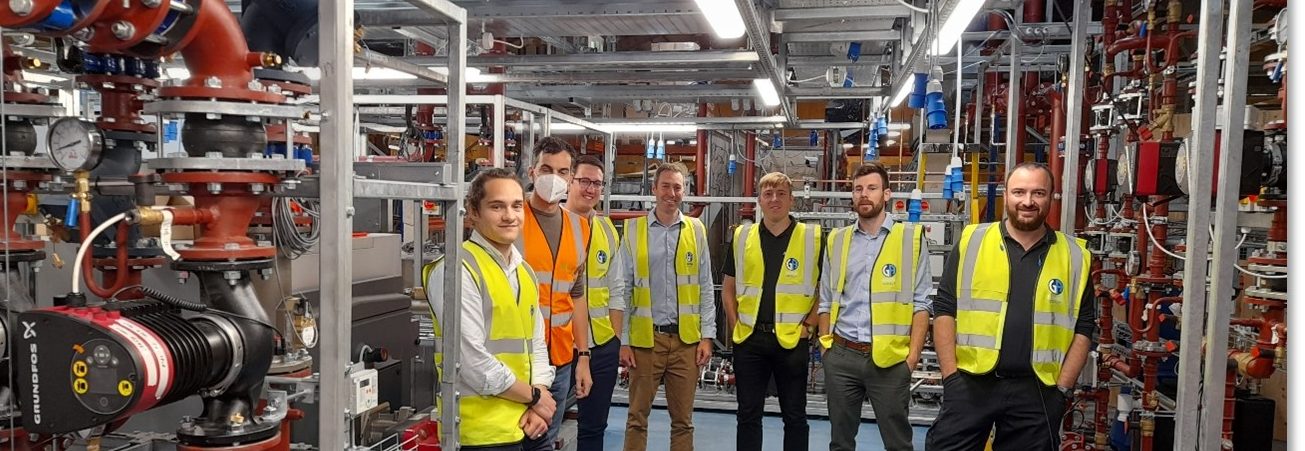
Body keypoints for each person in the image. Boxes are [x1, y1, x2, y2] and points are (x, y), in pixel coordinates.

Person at [926, 162, 1095, 451]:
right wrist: (950, 375)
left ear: (1051, 196)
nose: (1027, 201)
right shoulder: (973, 241)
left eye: (1038, 193)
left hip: (1038, 390)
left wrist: (1062, 389)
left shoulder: (1075, 256)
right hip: (970, 383)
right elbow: (945, 309)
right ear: (1007, 194)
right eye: (1019, 192)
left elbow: (1084, 326)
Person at [422, 169, 555, 450]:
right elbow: (471, 362)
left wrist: (540, 396)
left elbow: (536, 346)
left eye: (516, 205)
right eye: (497, 206)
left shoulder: (524, 272)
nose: (509, 215)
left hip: (529, 425)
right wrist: (534, 397)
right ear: (473, 211)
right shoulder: (456, 270)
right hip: (480, 435)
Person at [818, 162, 932, 451]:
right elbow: (826, 299)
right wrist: (826, 349)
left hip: (891, 361)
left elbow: (921, 305)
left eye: (871, 188)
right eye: (858, 189)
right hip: (842, 354)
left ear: (887, 194)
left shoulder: (911, 239)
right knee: (840, 442)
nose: (864, 195)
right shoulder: (837, 239)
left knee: (898, 443)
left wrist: (912, 358)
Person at [613, 162, 716, 451]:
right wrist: (624, 341)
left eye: (678, 187)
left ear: (684, 192)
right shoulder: (633, 230)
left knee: (683, 421)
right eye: (666, 186)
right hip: (647, 342)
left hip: (686, 342)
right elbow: (623, 289)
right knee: (636, 418)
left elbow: (705, 286)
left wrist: (707, 336)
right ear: (654, 189)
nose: (672, 193)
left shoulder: (696, 230)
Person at [721, 172, 823, 451]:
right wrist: (734, 325)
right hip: (750, 340)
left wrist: (809, 326)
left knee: (795, 416)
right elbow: (728, 287)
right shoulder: (742, 236)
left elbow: (824, 289)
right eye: (768, 194)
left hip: (793, 341)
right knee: (748, 415)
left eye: (780, 194)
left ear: (792, 199)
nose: (774, 199)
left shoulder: (813, 238)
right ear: (759, 201)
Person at [518, 137, 592, 451]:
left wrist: (583, 357)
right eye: (547, 169)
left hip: (560, 359)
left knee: (544, 440)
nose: (554, 177)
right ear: (532, 172)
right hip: (516, 361)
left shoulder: (581, 228)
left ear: (570, 179)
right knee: (513, 441)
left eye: (562, 172)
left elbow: (576, 296)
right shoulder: (511, 219)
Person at [563, 155, 624, 451]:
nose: (590, 189)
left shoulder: (607, 230)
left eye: (597, 184)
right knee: (541, 427)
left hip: (600, 345)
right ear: (569, 182)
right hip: (559, 345)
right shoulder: (553, 226)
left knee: (593, 428)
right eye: (584, 181)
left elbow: (617, 288)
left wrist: (614, 337)